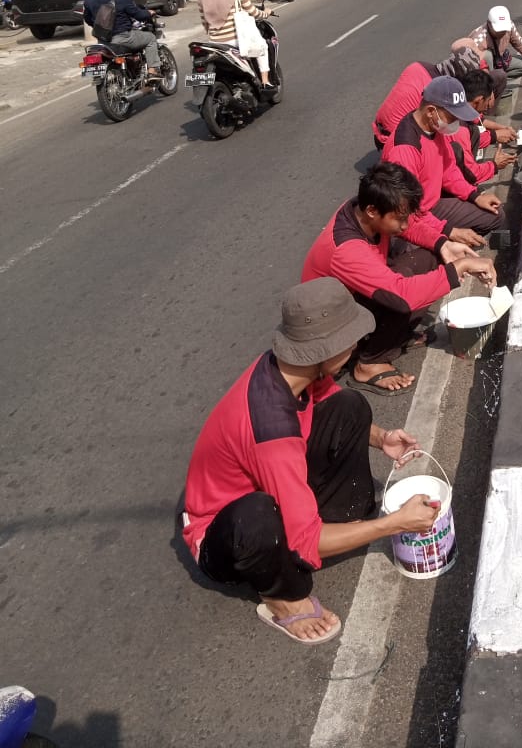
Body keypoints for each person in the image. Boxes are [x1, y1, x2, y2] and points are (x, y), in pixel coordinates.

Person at [181, 278, 438, 645]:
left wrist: (382, 439)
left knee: (349, 406)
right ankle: (280, 597)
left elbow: (327, 399)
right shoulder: (272, 431)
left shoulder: (288, 369)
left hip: (272, 480)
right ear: (325, 352)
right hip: (225, 534)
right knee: (258, 516)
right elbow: (305, 542)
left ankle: (336, 521)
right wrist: (395, 523)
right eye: (350, 342)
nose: (355, 347)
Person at [302, 164, 495, 394]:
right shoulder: (346, 249)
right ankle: (368, 364)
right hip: (328, 326)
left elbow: (409, 226)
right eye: (399, 219)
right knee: (404, 295)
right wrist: (459, 267)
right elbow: (401, 295)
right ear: (373, 211)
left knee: (430, 259)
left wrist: (443, 244)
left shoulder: (362, 209)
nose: (404, 225)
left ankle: (392, 336)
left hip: (352, 301)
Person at [382, 75, 505, 241]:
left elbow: (449, 169)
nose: (456, 122)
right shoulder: (405, 150)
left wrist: (475, 196)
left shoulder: (433, 127)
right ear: (431, 111)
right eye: (452, 117)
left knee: (495, 214)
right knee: (428, 252)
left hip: (433, 203)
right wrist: (448, 231)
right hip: (416, 216)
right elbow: (406, 214)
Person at [372, 42, 483, 149]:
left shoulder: (418, 66)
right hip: (398, 141)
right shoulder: (437, 91)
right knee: (453, 139)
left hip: (379, 129)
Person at [197, 0, 272, 86]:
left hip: (216, 44)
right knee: (262, 47)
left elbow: (205, 23)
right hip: (237, 40)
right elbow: (251, 10)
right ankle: (266, 81)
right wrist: (265, 13)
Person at [83, 0, 163, 82]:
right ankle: (152, 72)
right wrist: (149, 13)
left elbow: (88, 19)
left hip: (103, 42)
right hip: (123, 38)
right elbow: (138, 15)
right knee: (150, 38)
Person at [449, 69, 517, 185]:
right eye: (489, 99)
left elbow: (480, 124)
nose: (490, 103)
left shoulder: (461, 105)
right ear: (479, 100)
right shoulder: (460, 129)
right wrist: (495, 165)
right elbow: (472, 174)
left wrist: (496, 134)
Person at [466, 5, 522, 81]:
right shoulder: (478, 39)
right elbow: (469, 66)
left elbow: (520, 43)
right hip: (480, 71)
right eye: (498, 30)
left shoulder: (509, 27)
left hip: (499, 62)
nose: (502, 32)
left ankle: (498, 81)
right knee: (487, 55)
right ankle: (488, 86)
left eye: (504, 29)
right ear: (489, 24)